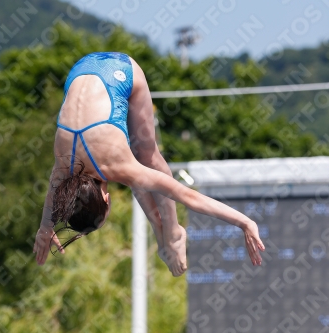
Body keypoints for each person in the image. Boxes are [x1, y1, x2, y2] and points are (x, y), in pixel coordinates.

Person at [33, 52, 265, 277]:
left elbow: (188, 197)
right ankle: (162, 233)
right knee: (138, 174)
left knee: (148, 157)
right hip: (81, 68)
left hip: (122, 69)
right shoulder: (62, 169)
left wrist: (244, 222)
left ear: (106, 199)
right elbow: (52, 198)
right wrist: (45, 230)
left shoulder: (118, 166)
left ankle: (173, 234)